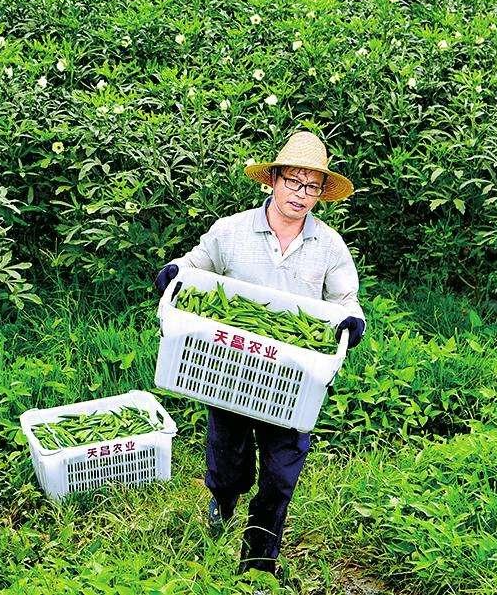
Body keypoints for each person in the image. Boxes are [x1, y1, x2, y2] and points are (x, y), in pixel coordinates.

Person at [153, 130, 366, 577]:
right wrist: (175, 271)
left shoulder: (328, 245)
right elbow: (196, 264)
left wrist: (352, 319)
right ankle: (223, 499)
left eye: (312, 186)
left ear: (321, 194)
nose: (301, 194)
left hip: (292, 378)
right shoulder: (232, 230)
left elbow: (346, 299)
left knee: (282, 468)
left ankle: (259, 558)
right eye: (293, 181)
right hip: (229, 366)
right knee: (228, 454)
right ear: (273, 180)